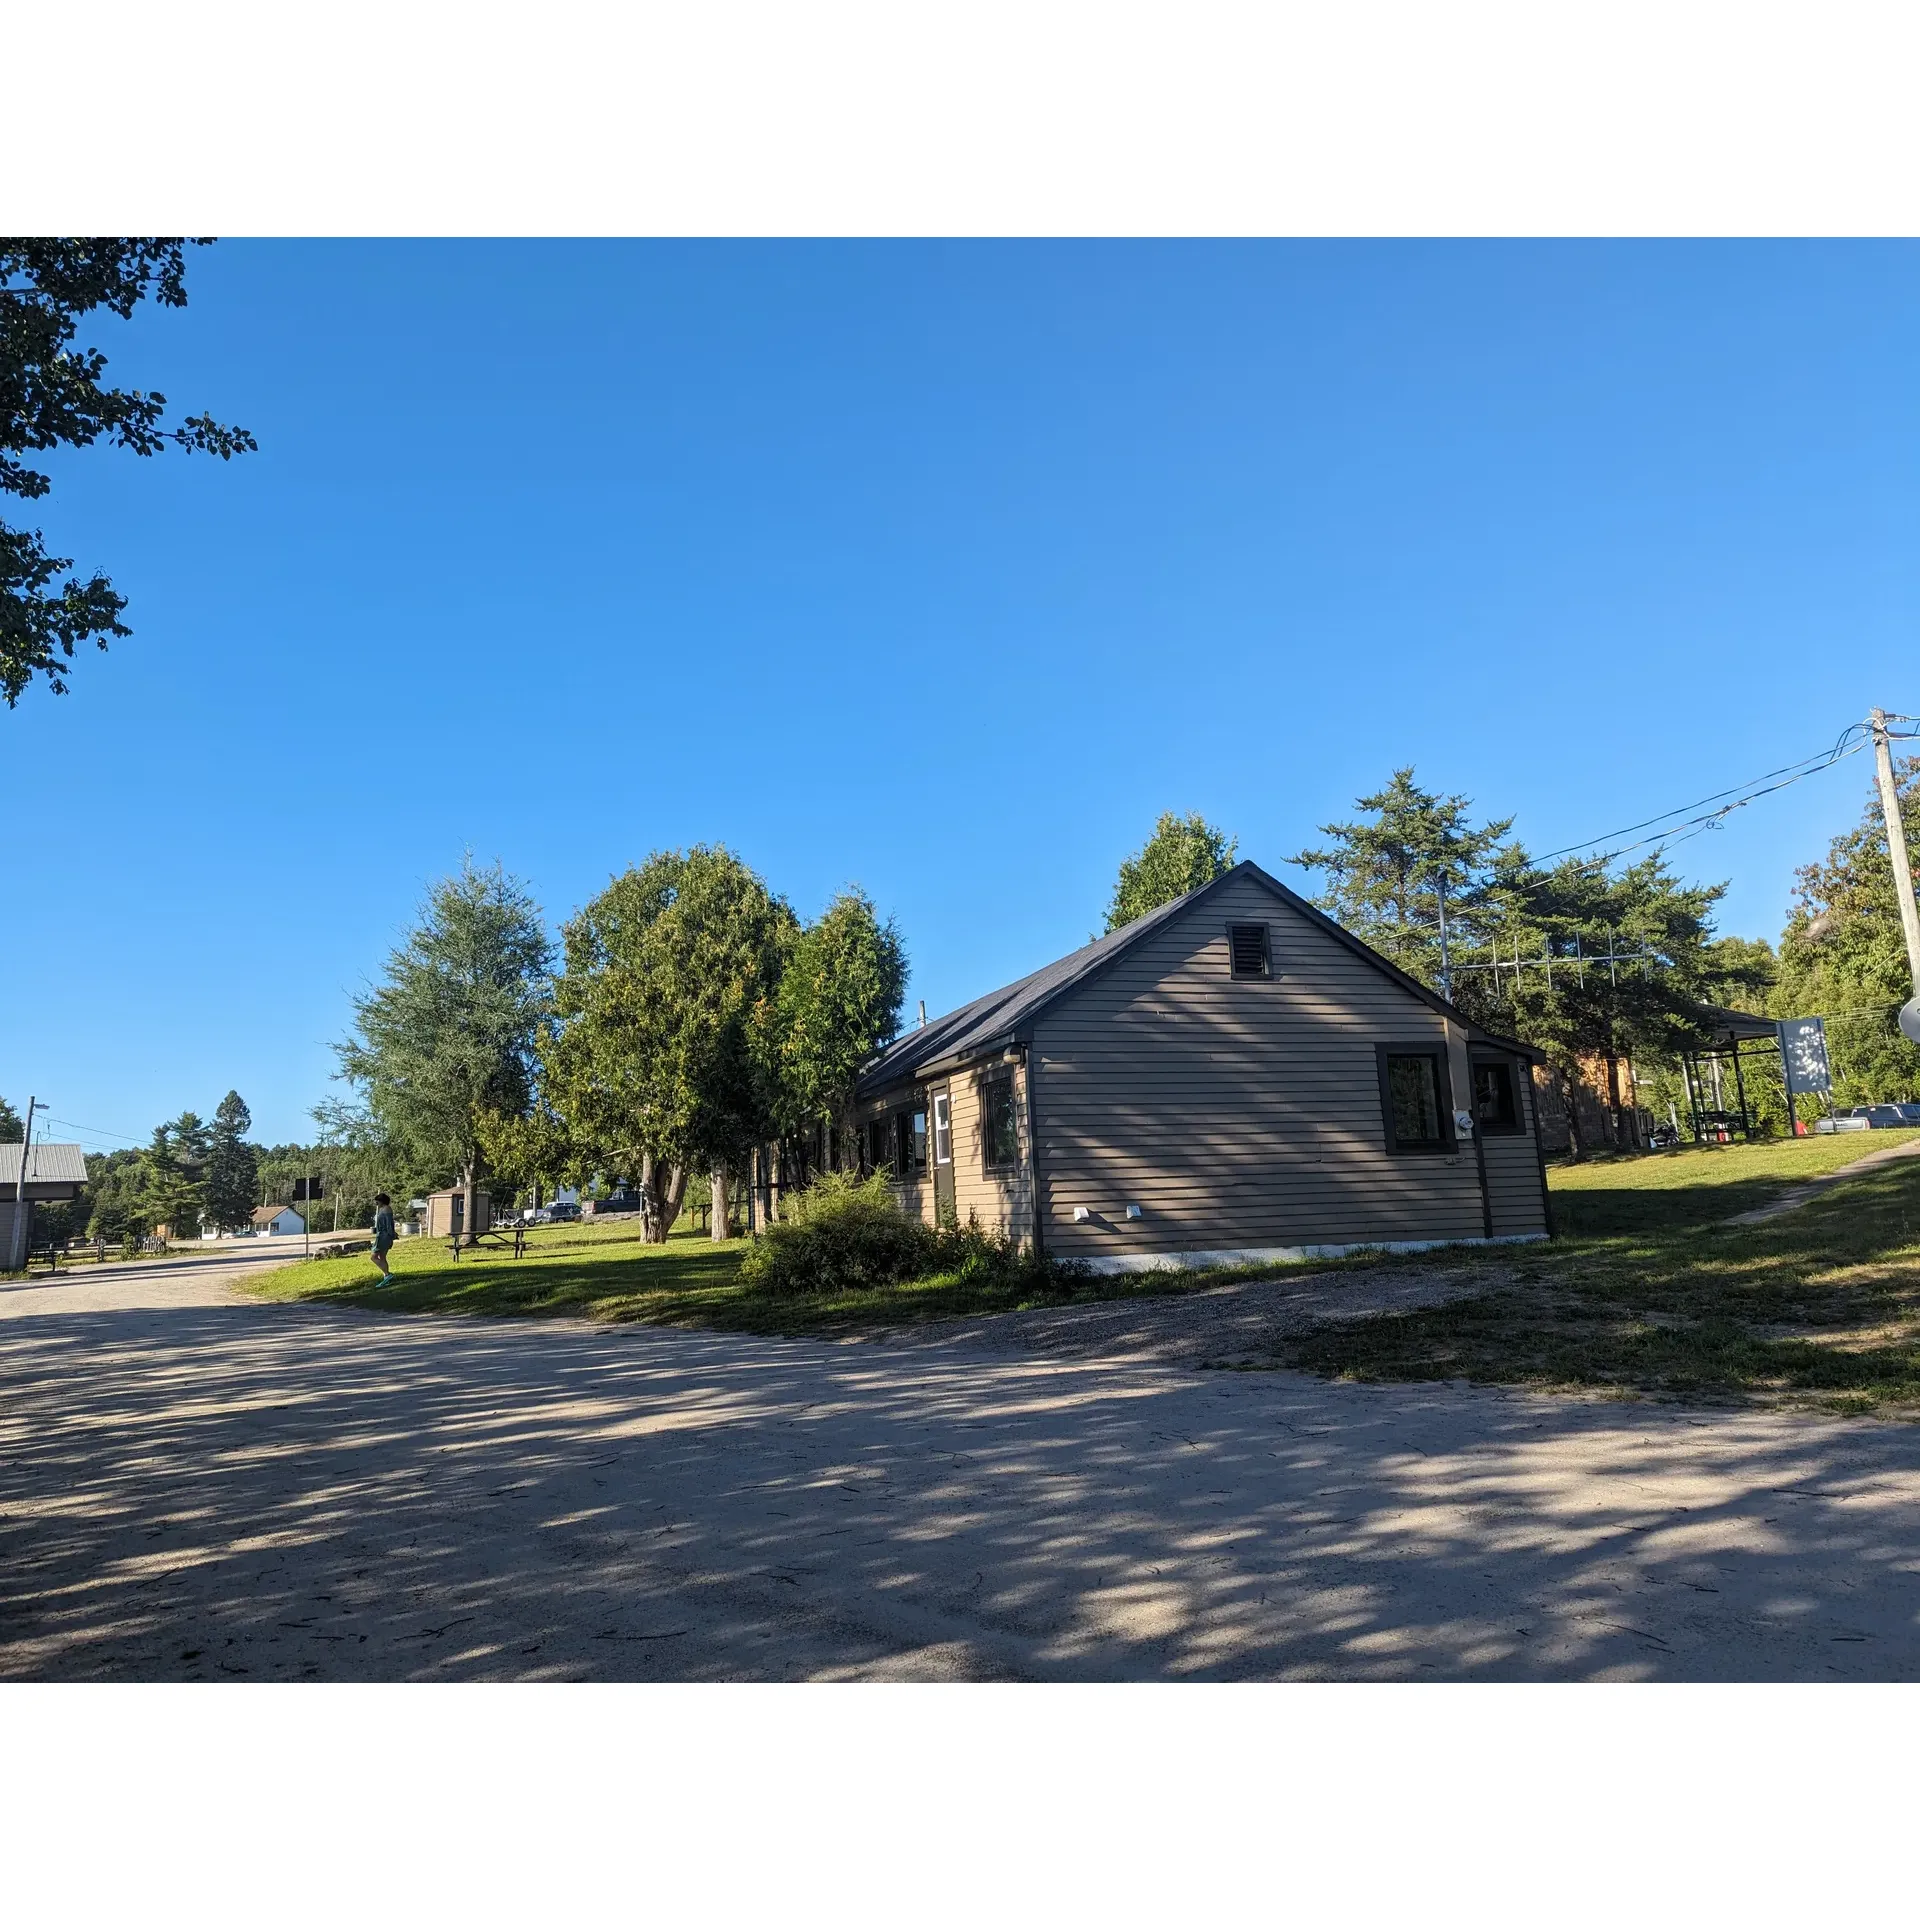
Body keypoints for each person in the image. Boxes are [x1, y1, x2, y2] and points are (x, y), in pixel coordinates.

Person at [371, 1192, 397, 1287]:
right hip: (380, 1234)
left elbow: (389, 1224)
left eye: (377, 1202)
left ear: (382, 1201)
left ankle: (388, 1274)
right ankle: (386, 1277)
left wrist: (391, 1235)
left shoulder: (387, 1209)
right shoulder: (382, 1209)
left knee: (373, 1257)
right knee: (382, 1257)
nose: (376, 1204)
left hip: (384, 1236)